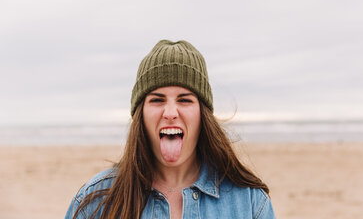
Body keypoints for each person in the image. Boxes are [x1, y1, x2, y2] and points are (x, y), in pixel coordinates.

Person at [65, 40, 276, 219]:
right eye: (157, 100)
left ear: (203, 115)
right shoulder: (96, 200)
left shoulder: (249, 202)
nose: (170, 112)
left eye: (185, 100)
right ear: (141, 115)